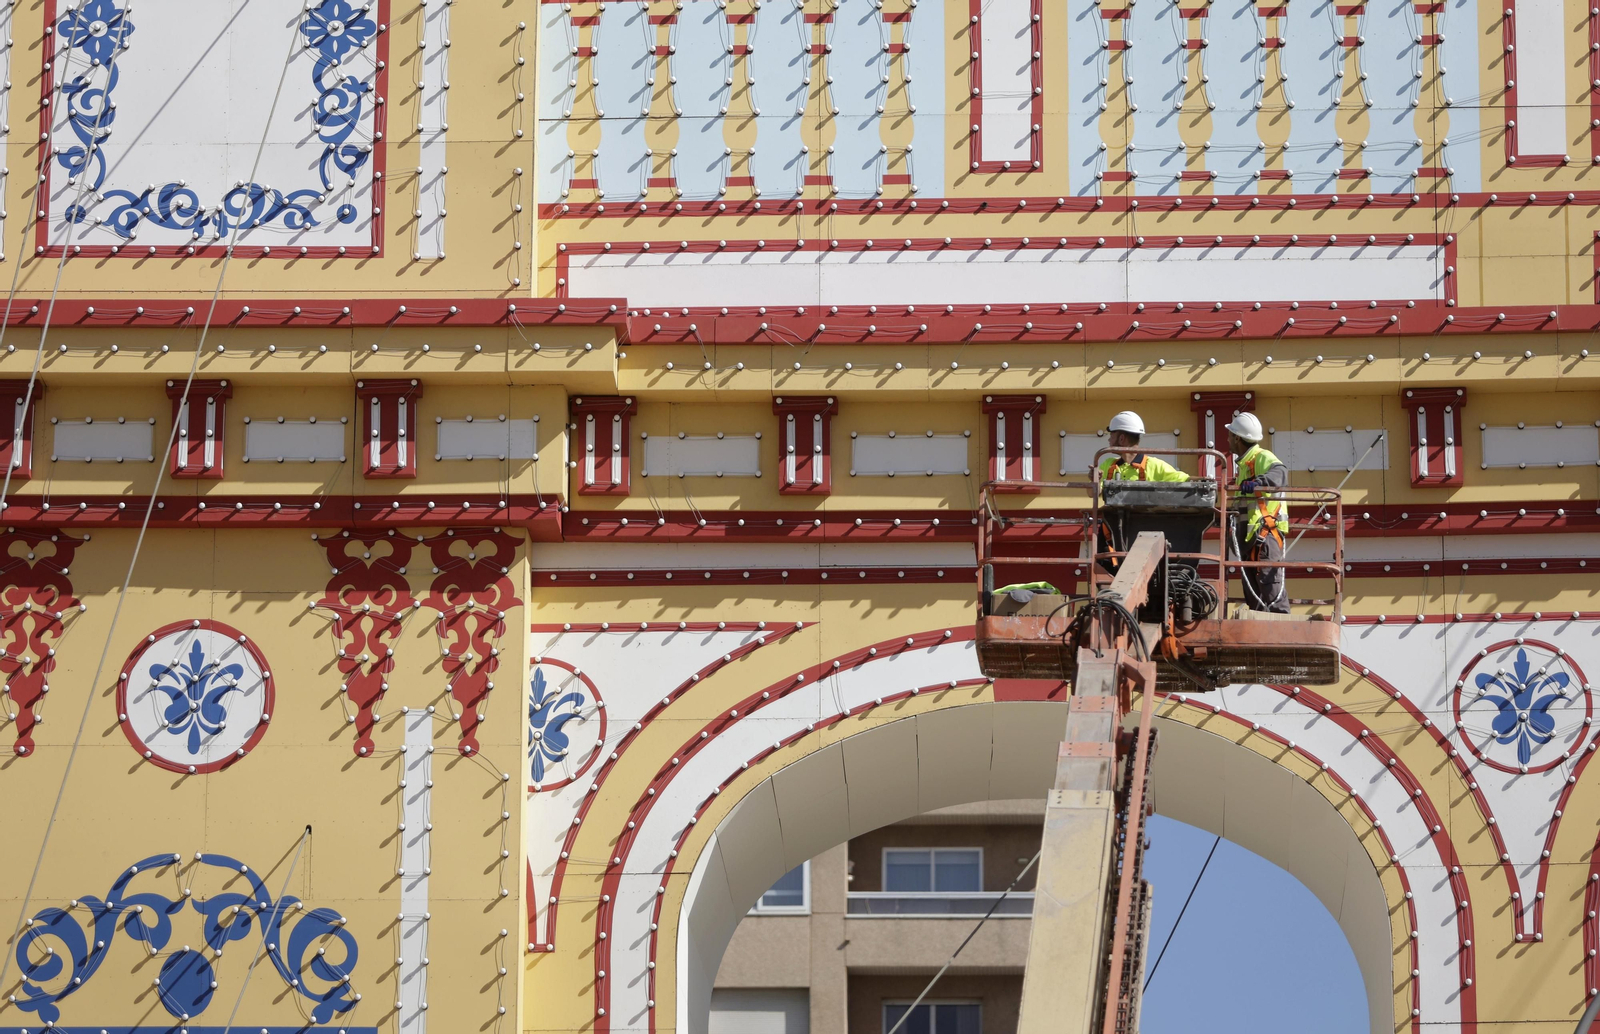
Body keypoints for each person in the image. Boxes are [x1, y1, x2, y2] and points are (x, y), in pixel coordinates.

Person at [1224, 412, 1289, 613]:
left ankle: (1281, 635)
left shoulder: (1261, 457)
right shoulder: (1244, 466)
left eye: (1229, 435)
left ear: (1237, 438)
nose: (1227, 439)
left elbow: (1280, 474)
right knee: (1254, 595)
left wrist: (1258, 483)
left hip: (1265, 536)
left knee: (1271, 590)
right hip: (1250, 540)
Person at [1096, 411, 1189, 482]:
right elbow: (1092, 493)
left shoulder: (1153, 465)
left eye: (1111, 436)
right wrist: (1094, 479)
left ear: (1121, 439)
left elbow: (1186, 480)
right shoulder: (1108, 464)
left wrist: (1203, 479)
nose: (1109, 440)